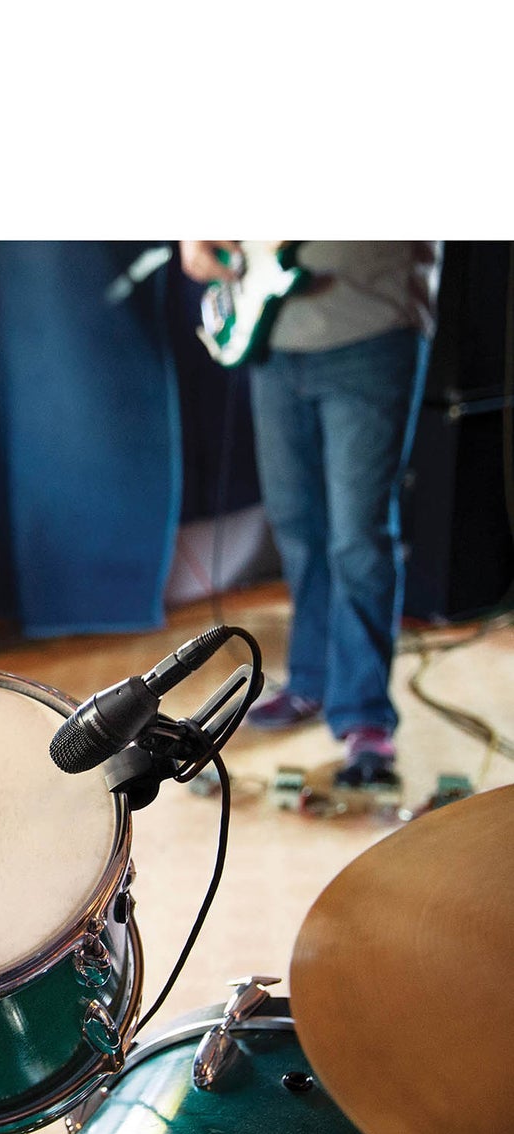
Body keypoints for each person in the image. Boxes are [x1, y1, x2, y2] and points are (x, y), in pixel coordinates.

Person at [179, 241, 439, 787]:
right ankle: (311, 681)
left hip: (370, 323)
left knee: (358, 536)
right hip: (272, 335)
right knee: (296, 527)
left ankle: (363, 712)